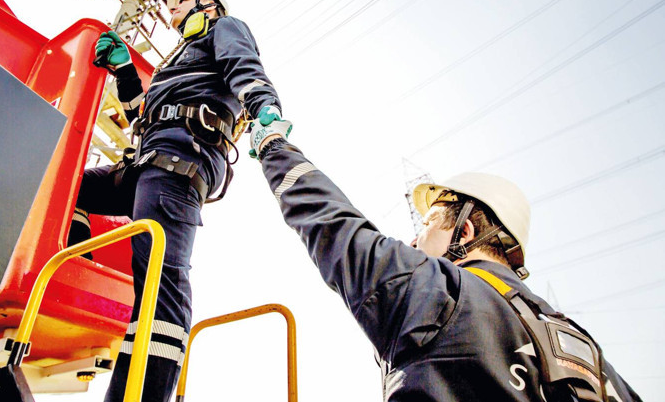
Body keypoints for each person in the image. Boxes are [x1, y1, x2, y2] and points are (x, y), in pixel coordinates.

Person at [247, 120, 642, 401]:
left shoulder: (441, 293)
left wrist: (274, 147)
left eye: (429, 224)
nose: (414, 240)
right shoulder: (593, 358)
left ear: (465, 232)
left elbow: (331, 222)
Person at [68, 0, 283, 402]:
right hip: (146, 161)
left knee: (160, 281)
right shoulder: (177, 61)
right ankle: (78, 279)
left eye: (181, 1)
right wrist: (125, 71)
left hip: (179, 161)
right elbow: (143, 117)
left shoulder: (223, 28)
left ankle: (141, 396)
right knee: (68, 189)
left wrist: (265, 111)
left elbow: (245, 68)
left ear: (210, 4)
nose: (172, 10)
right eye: (169, 5)